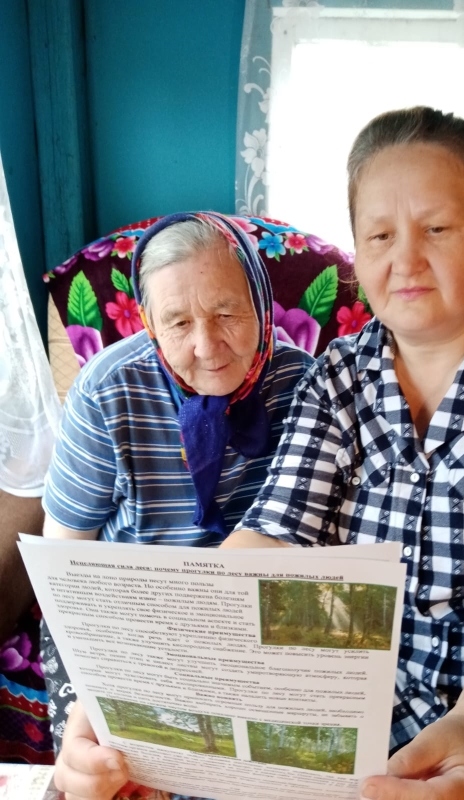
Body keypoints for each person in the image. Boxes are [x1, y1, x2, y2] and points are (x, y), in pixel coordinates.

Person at [53, 109, 464, 800]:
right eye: (380, 235)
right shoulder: (340, 374)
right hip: (355, 714)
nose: (405, 260)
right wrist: (137, 694)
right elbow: (272, 539)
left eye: (437, 228)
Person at [41, 211, 313, 777]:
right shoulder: (107, 390)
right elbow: (64, 559)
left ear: (261, 300)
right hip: (125, 619)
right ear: (147, 321)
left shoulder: (304, 383)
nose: (207, 346)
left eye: (226, 313)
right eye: (178, 322)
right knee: (105, 770)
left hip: (250, 619)